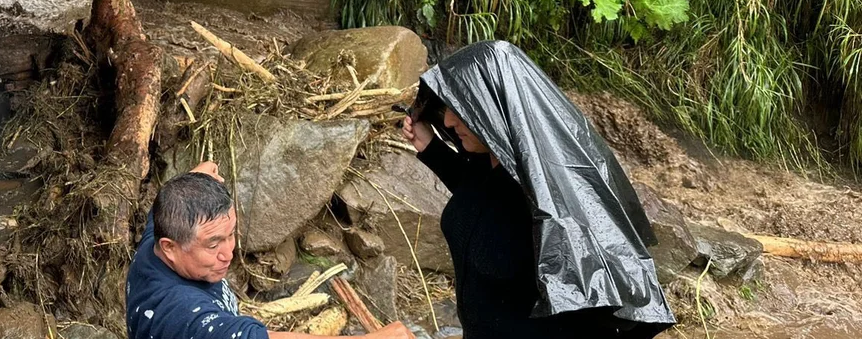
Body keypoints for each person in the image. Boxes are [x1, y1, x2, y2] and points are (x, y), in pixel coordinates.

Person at [398, 40, 675, 339]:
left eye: (459, 110)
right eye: (448, 108)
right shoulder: (491, 166)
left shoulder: (560, 203)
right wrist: (431, 148)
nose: (449, 121)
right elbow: (484, 202)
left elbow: (608, 300)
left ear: (492, 109)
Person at [126, 163, 414, 339]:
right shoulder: (180, 313)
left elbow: (171, 200)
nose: (228, 253)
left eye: (231, 235)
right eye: (213, 244)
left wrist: (202, 173)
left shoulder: (163, 231)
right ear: (171, 248)